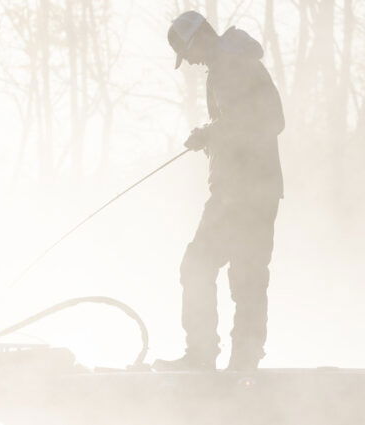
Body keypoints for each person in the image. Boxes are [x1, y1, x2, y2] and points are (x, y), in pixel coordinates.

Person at [153, 11, 285, 372]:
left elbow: (271, 119)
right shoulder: (228, 66)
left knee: (205, 266)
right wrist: (210, 132)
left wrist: (211, 134)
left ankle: (209, 357)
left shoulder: (234, 65)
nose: (191, 62)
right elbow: (243, 121)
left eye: (188, 52)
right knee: (246, 272)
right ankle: (239, 360)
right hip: (247, 190)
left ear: (199, 37)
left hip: (244, 192)